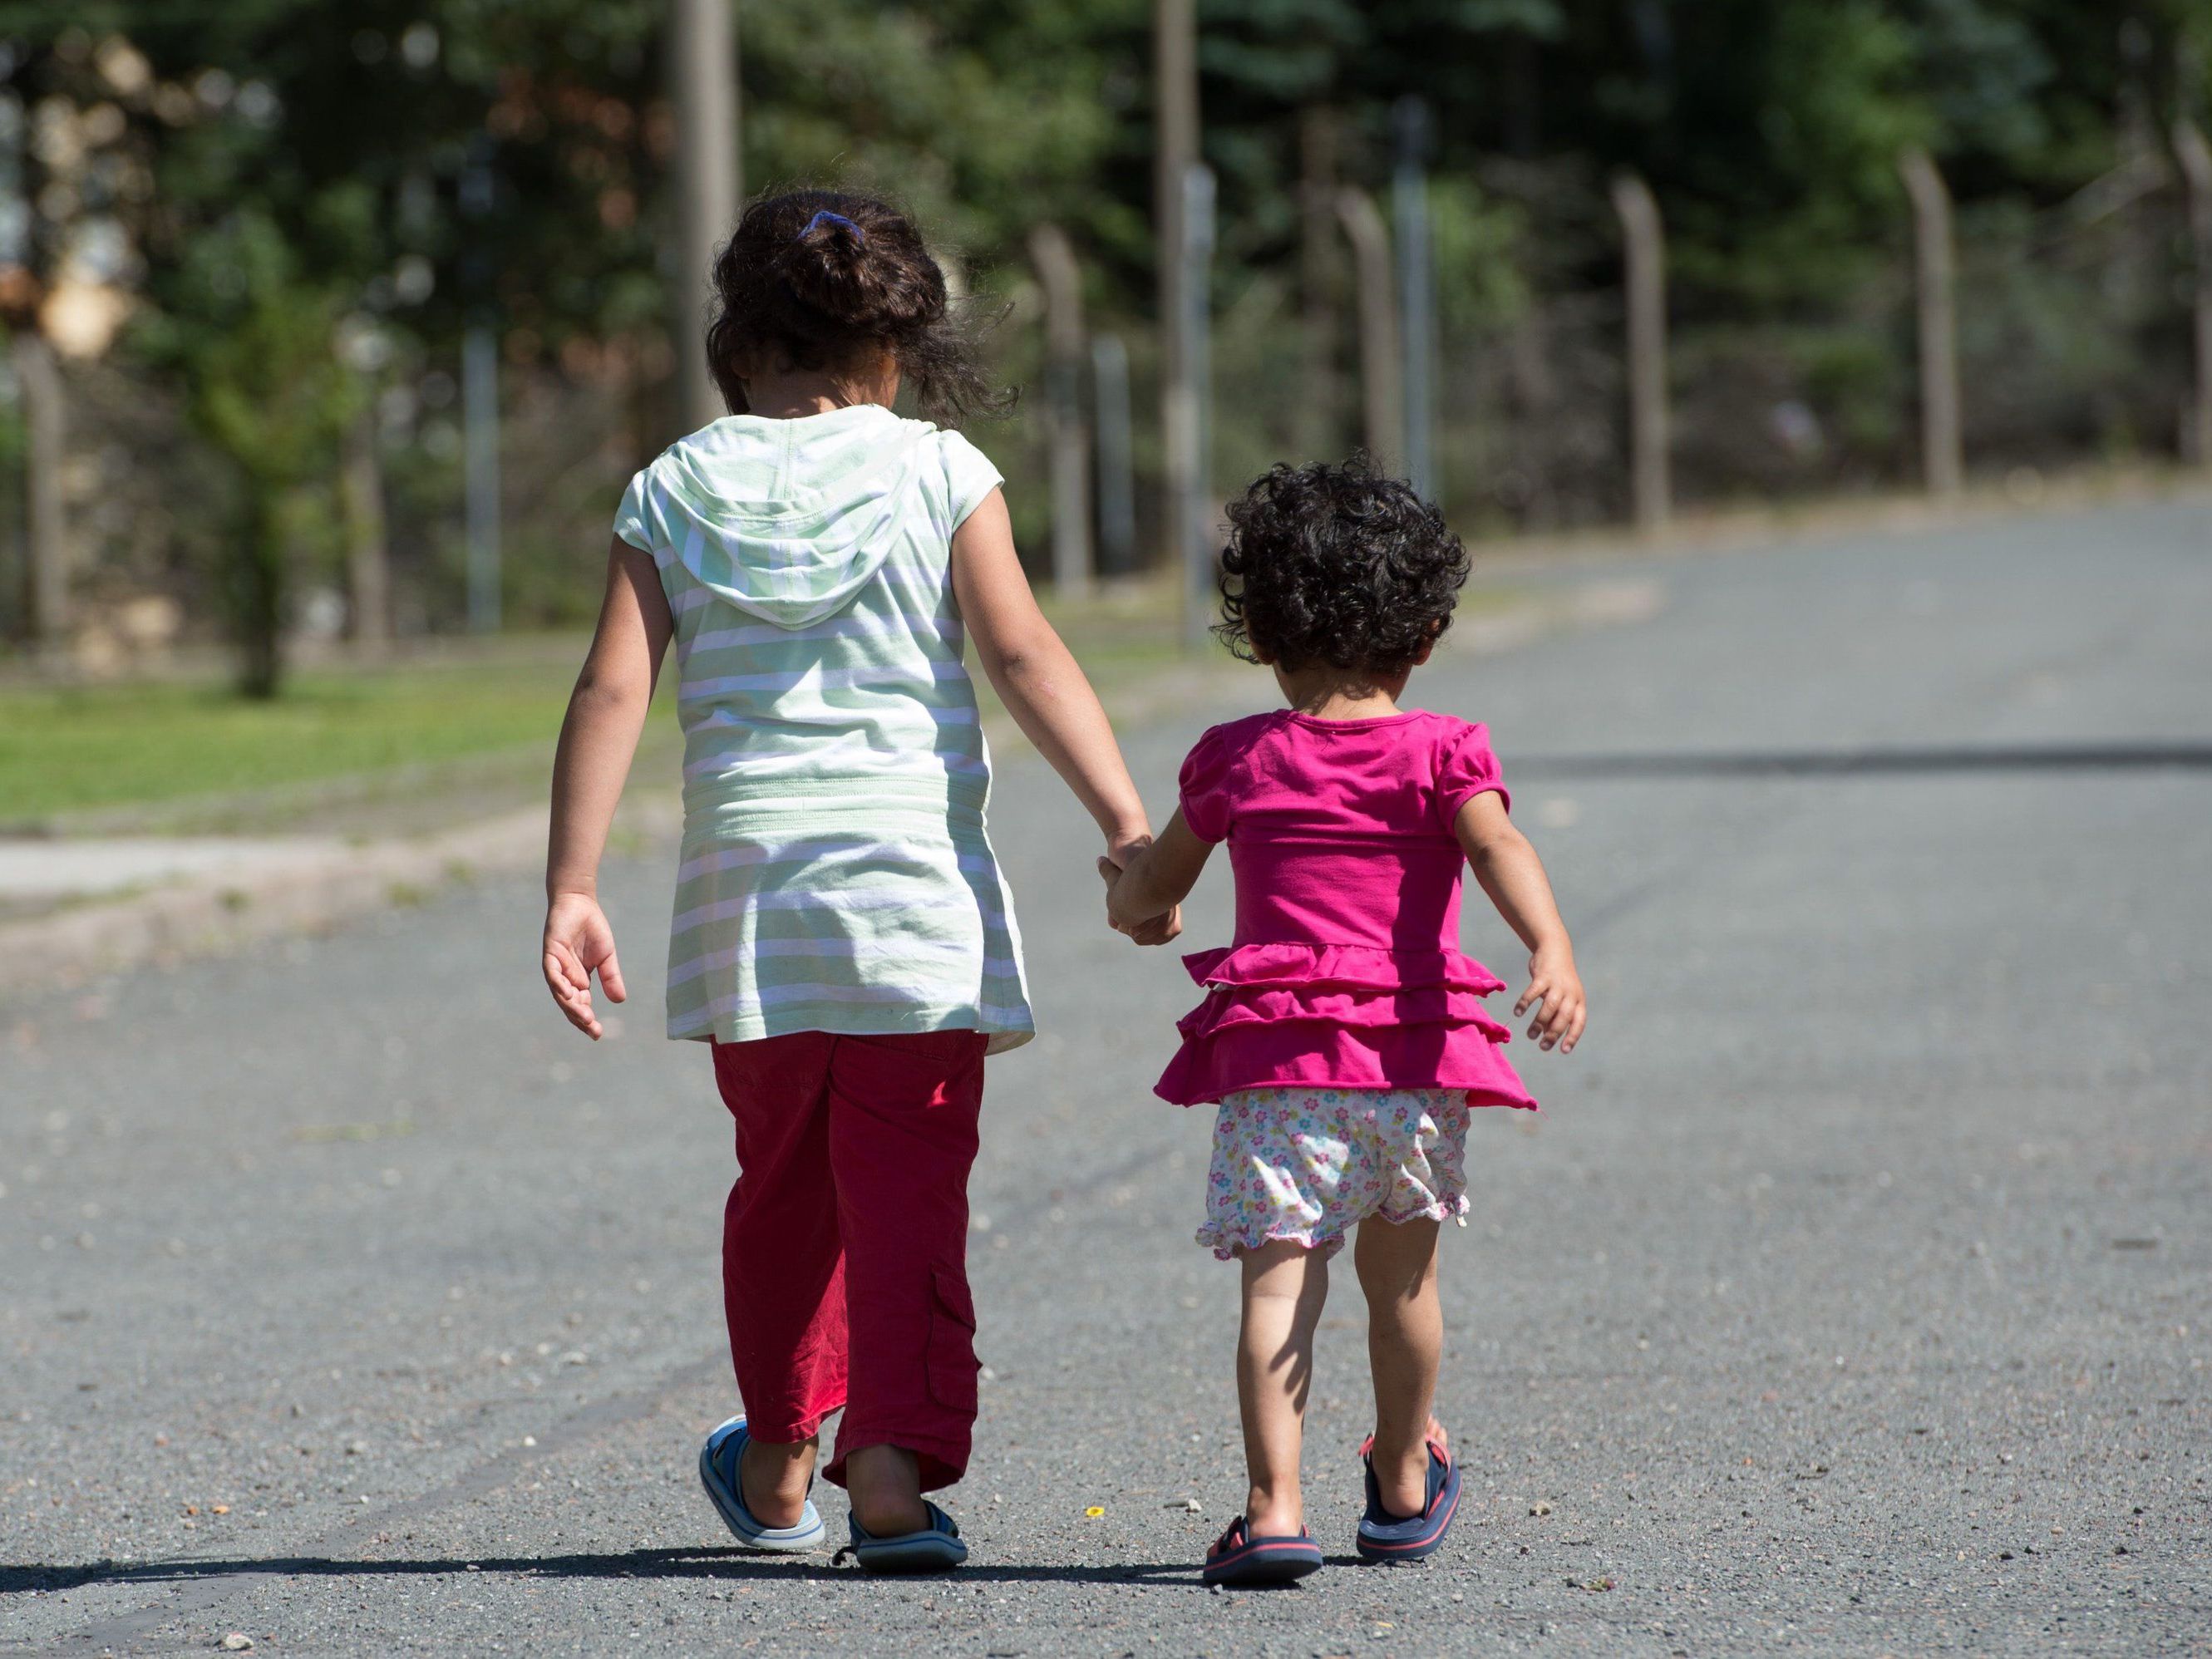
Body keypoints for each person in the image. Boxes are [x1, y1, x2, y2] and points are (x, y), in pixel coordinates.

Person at [541, 189, 1168, 1574]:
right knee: (906, 1194)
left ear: (736, 338)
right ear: (898, 349)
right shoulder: (940, 473)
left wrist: (572, 883)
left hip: (749, 913)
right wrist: (1128, 821)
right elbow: (1021, 658)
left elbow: (611, 688)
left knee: (782, 1188)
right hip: (910, 909)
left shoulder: (675, 484)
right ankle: (889, 1469)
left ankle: (774, 1466)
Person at [1098, 457, 1586, 1586]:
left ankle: (1273, 1510)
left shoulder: (1238, 757)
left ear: (1260, 635)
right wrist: (1549, 947)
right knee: (1402, 1288)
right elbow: (1498, 847)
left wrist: (1134, 898)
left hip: (1278, 1072)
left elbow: (1148, 890)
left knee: (1279, 1286)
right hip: (1411, 1067)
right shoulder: (1444, 752)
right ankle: (1404, 1480)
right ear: (1422, 636)